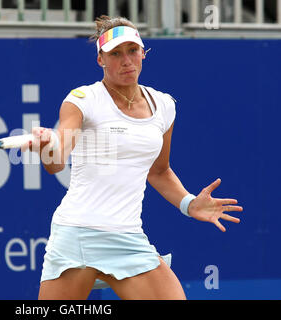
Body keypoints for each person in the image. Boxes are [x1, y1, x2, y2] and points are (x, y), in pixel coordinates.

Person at [22, 15, 243, 300]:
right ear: (101, 59)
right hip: (78, 235)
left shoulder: (164, 106)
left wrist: (189, 204)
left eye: (132, 51)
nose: (126, 61)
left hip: (128, 238)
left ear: (143, 53)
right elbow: (56, 162)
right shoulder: (82, 99)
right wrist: (46, 147)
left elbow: (159, 172)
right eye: (115, 53)